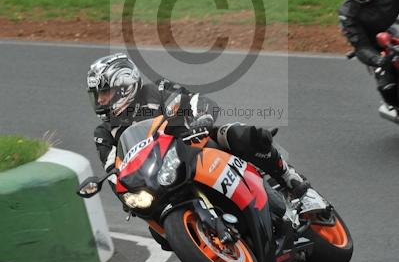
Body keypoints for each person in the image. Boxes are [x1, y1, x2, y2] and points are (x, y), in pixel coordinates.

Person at [87, 53, 310, 207]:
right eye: (98, 95)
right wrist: (126, 196)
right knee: (159, 234)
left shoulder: (156, 91)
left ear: (124, 86)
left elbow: (195, 100)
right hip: (161, 176)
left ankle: (288, 177)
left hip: (196, 143)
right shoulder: (104, 133)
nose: (101, 100)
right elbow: (114, 171)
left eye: (105, 93)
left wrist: (201, 118)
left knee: (239, 134)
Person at [339, 0, 399, 110]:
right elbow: (360, 46)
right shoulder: (348, 12)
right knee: (388, 87)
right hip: (383, 50)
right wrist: (377, 60)